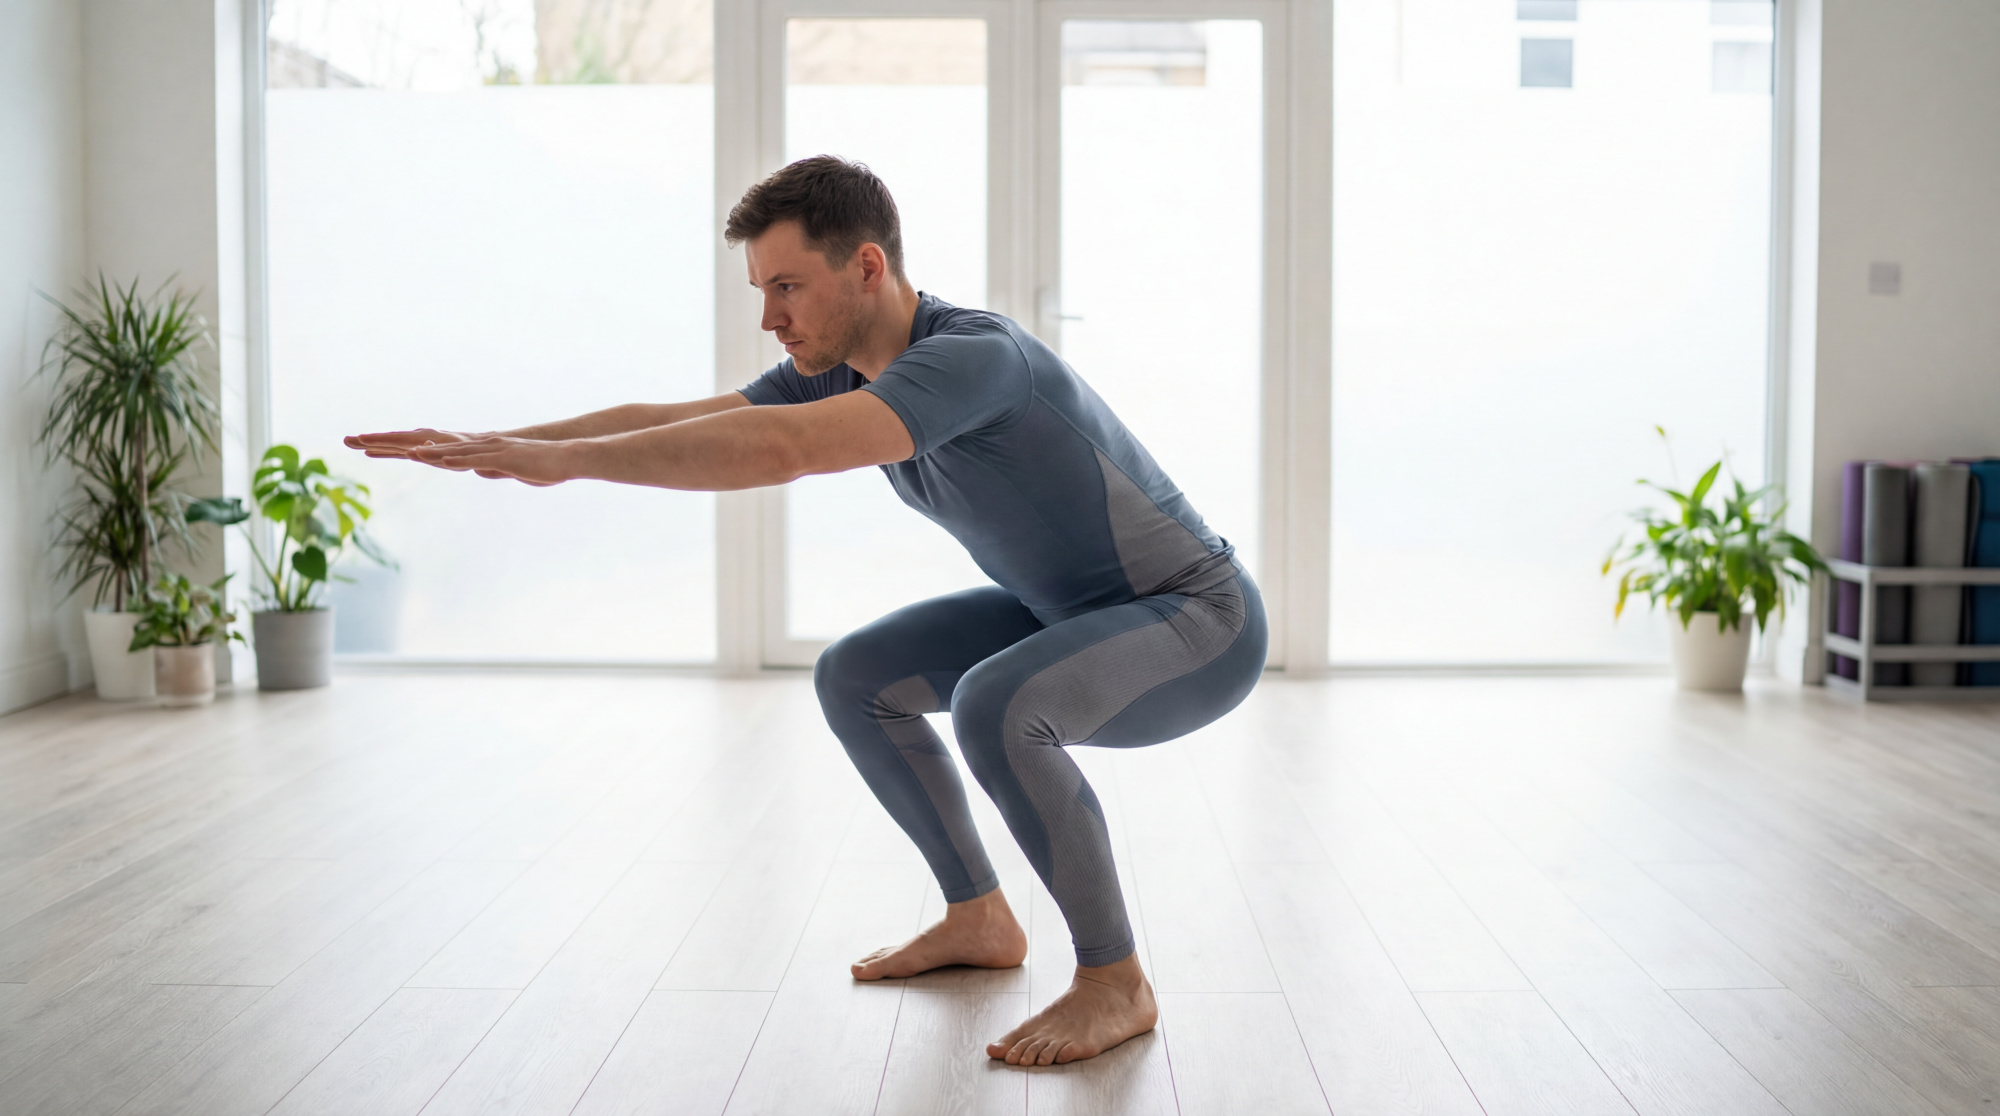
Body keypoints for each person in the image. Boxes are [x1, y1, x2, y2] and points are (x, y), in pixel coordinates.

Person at [347, 156, 1266, 1067]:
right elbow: (680, 420)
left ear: (867, 267)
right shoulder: (844, 370)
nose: (768, 315)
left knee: (996, 703)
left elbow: (780, 447)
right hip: (1059, 614)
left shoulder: (975, 359)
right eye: (760, 287)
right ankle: (978, 916)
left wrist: (566, 464)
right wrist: (504, 444)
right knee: (856, 676)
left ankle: (1117, 980)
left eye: (787, 285)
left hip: (1196, 622)